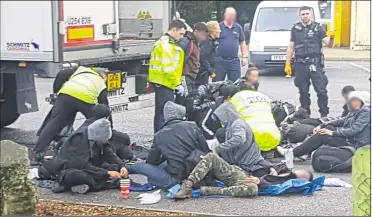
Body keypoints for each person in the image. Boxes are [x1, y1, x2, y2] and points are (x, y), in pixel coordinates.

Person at [34, 66, 110, 162]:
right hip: (85, 99)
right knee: (94, 122)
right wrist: (108, 125)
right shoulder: (100, 82)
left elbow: (61, 74)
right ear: (103, 76)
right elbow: (104, 107)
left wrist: (56, 92)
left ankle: (39, 153)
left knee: (53, 123)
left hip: (66, 95)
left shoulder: (80, 70)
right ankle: (89, 148)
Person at [278, 90, 371, 169]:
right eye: (353, 100)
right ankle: (303, 151)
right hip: (351, 139)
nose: (353, 103)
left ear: (364, 101)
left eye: (356, 100)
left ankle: (293, 153)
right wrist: (322, 125)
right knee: (326, 129)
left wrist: (332, 133)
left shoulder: (366, 112)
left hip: (356, 143)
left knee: (324, 135)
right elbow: (340, 121)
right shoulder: (356, 111)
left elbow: (354, 130)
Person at [127, 101, 210, 189]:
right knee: (165, 165)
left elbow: (152, 161)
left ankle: (124, 169)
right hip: (196, 172)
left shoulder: (159, 135)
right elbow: (205, 149)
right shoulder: (192, 126)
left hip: (176, 178)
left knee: (142, 166)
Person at [40, 119, 128, 194]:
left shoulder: (99, 140)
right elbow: (82, 165)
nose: (105, 141)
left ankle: (84, 185)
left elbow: (109, 153)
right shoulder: (78, 139)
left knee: (114, 168)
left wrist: (121, 166)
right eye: (103, 139)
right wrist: (106, 173)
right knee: (78, 175)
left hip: (91, 165)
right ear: (97, 137)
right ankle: (101, 184)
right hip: (70, 169)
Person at [173, 152, 313, 199]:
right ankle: (188, 185)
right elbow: (263, 162)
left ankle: (208, 191)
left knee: (252, 189)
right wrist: (271, 167)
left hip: (249, 183)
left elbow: (273, 188)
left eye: (303, 176)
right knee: (211, 157)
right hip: (241, 173)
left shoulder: (289, 183)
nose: (298, 174)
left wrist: (260, 181)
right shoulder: (284, 171)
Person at [284, 6, 335, 117]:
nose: (305, 16)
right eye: (303, 14)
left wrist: (331, 38)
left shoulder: (318, 28)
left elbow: (329, 44)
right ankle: (305, 114)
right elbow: (291, 46)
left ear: (310, 14)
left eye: (307, 14)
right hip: (301, 64)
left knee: (321, 90)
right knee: (303, 91)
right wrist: (287, 63)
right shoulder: (295, 29)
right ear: (300, 15)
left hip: (315, 63)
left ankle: (324, 114)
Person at [208, 102, 276, 177]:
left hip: (248, 166)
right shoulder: (232, 126)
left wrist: (219, 148)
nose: (222, 121)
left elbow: (239, 139)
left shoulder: (238, 124)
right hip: (245, 164)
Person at [149, 20, 186, 133]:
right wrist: (177, 84)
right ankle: (161, 138)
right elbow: (168, 68)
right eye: (181, 34)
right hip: (164, 82)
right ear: (173, 30)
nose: (182, 37)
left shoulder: (168, 43)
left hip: (164, 82)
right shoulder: (166, 45)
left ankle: (161, 137)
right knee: (164, 113)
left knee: (162, 112)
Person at [230, 83, 281, 152]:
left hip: (249, 142)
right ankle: (267, 150)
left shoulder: (237, 97)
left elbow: (227, 118)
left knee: (222, 132)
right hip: (275, 139)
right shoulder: (263, 96)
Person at [214, 7, 247, 82]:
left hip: (234, 61)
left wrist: (244, 56)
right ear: (225, 15)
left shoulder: (238, 27)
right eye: (229, 15)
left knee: (235, 84)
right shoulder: (219, 27)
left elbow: (242, 42)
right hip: (220, 60)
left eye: (233, 15)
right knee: (217, 83)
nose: (231, 17)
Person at [179, 22, 208, 93]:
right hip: (186, 77)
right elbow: (180, 59)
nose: (204, 38)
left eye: (205, 36)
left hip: (192, 77)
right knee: (186, 100)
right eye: (202, 35)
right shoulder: (187, 42)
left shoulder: (196, 43)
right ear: (195, 32)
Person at [197, 21, 221, 86]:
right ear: (213, 31)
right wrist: (211, 72)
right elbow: (203, 57)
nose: (220, 31)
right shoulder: (207, 42)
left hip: (205, 72)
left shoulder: (211, 41)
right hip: (203, 73)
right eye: (218, 29)